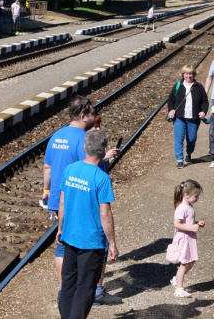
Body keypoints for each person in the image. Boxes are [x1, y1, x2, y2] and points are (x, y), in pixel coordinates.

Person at [42, 98, 120, 304]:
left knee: (63, 244)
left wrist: (46, 190)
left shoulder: (56, 135)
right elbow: (89, 166)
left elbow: (47, 167)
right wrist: (106, 158)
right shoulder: (83, 139)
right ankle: (96, 292)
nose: (95, 117)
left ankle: (64, 290)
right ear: (83, 115)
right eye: (93, 114)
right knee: (97, 243)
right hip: (82, 197)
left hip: (61, 197)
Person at [57, 130, 119, 319]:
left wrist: (60, 229)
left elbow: (62, 203)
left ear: (84, 148)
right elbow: (105, 213)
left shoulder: (70, 169)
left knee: (68, 285)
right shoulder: (101, 178)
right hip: (91, 242)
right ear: (104, 151)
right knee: (85, 289)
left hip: (69, 237)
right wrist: (112, 243)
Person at [167, 66, 209, 168]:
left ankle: (188, 153)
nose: (188, 76)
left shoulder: (199, 87)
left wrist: (203, 112)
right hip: (179, 118)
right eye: (186, 74)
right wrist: (171, 110)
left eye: (190, 74)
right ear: (183, 75)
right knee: (179, 139)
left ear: (194, 75)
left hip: (193, 118)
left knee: (192, 139)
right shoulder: (178, 86)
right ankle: (180, 160)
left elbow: (205, 102)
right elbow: (170, 100)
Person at [170, 180, 204, 298]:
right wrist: (191, 227)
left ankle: (177, 278)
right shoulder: (181, 208)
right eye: (196, 196)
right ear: (186, 195)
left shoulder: (190, 206)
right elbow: (177, 224)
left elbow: (188, 222)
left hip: (190, 238)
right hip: (184, 238)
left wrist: (196, 223)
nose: (197, 198)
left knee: (191, 261)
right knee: (184, 264)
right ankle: (179, 289)